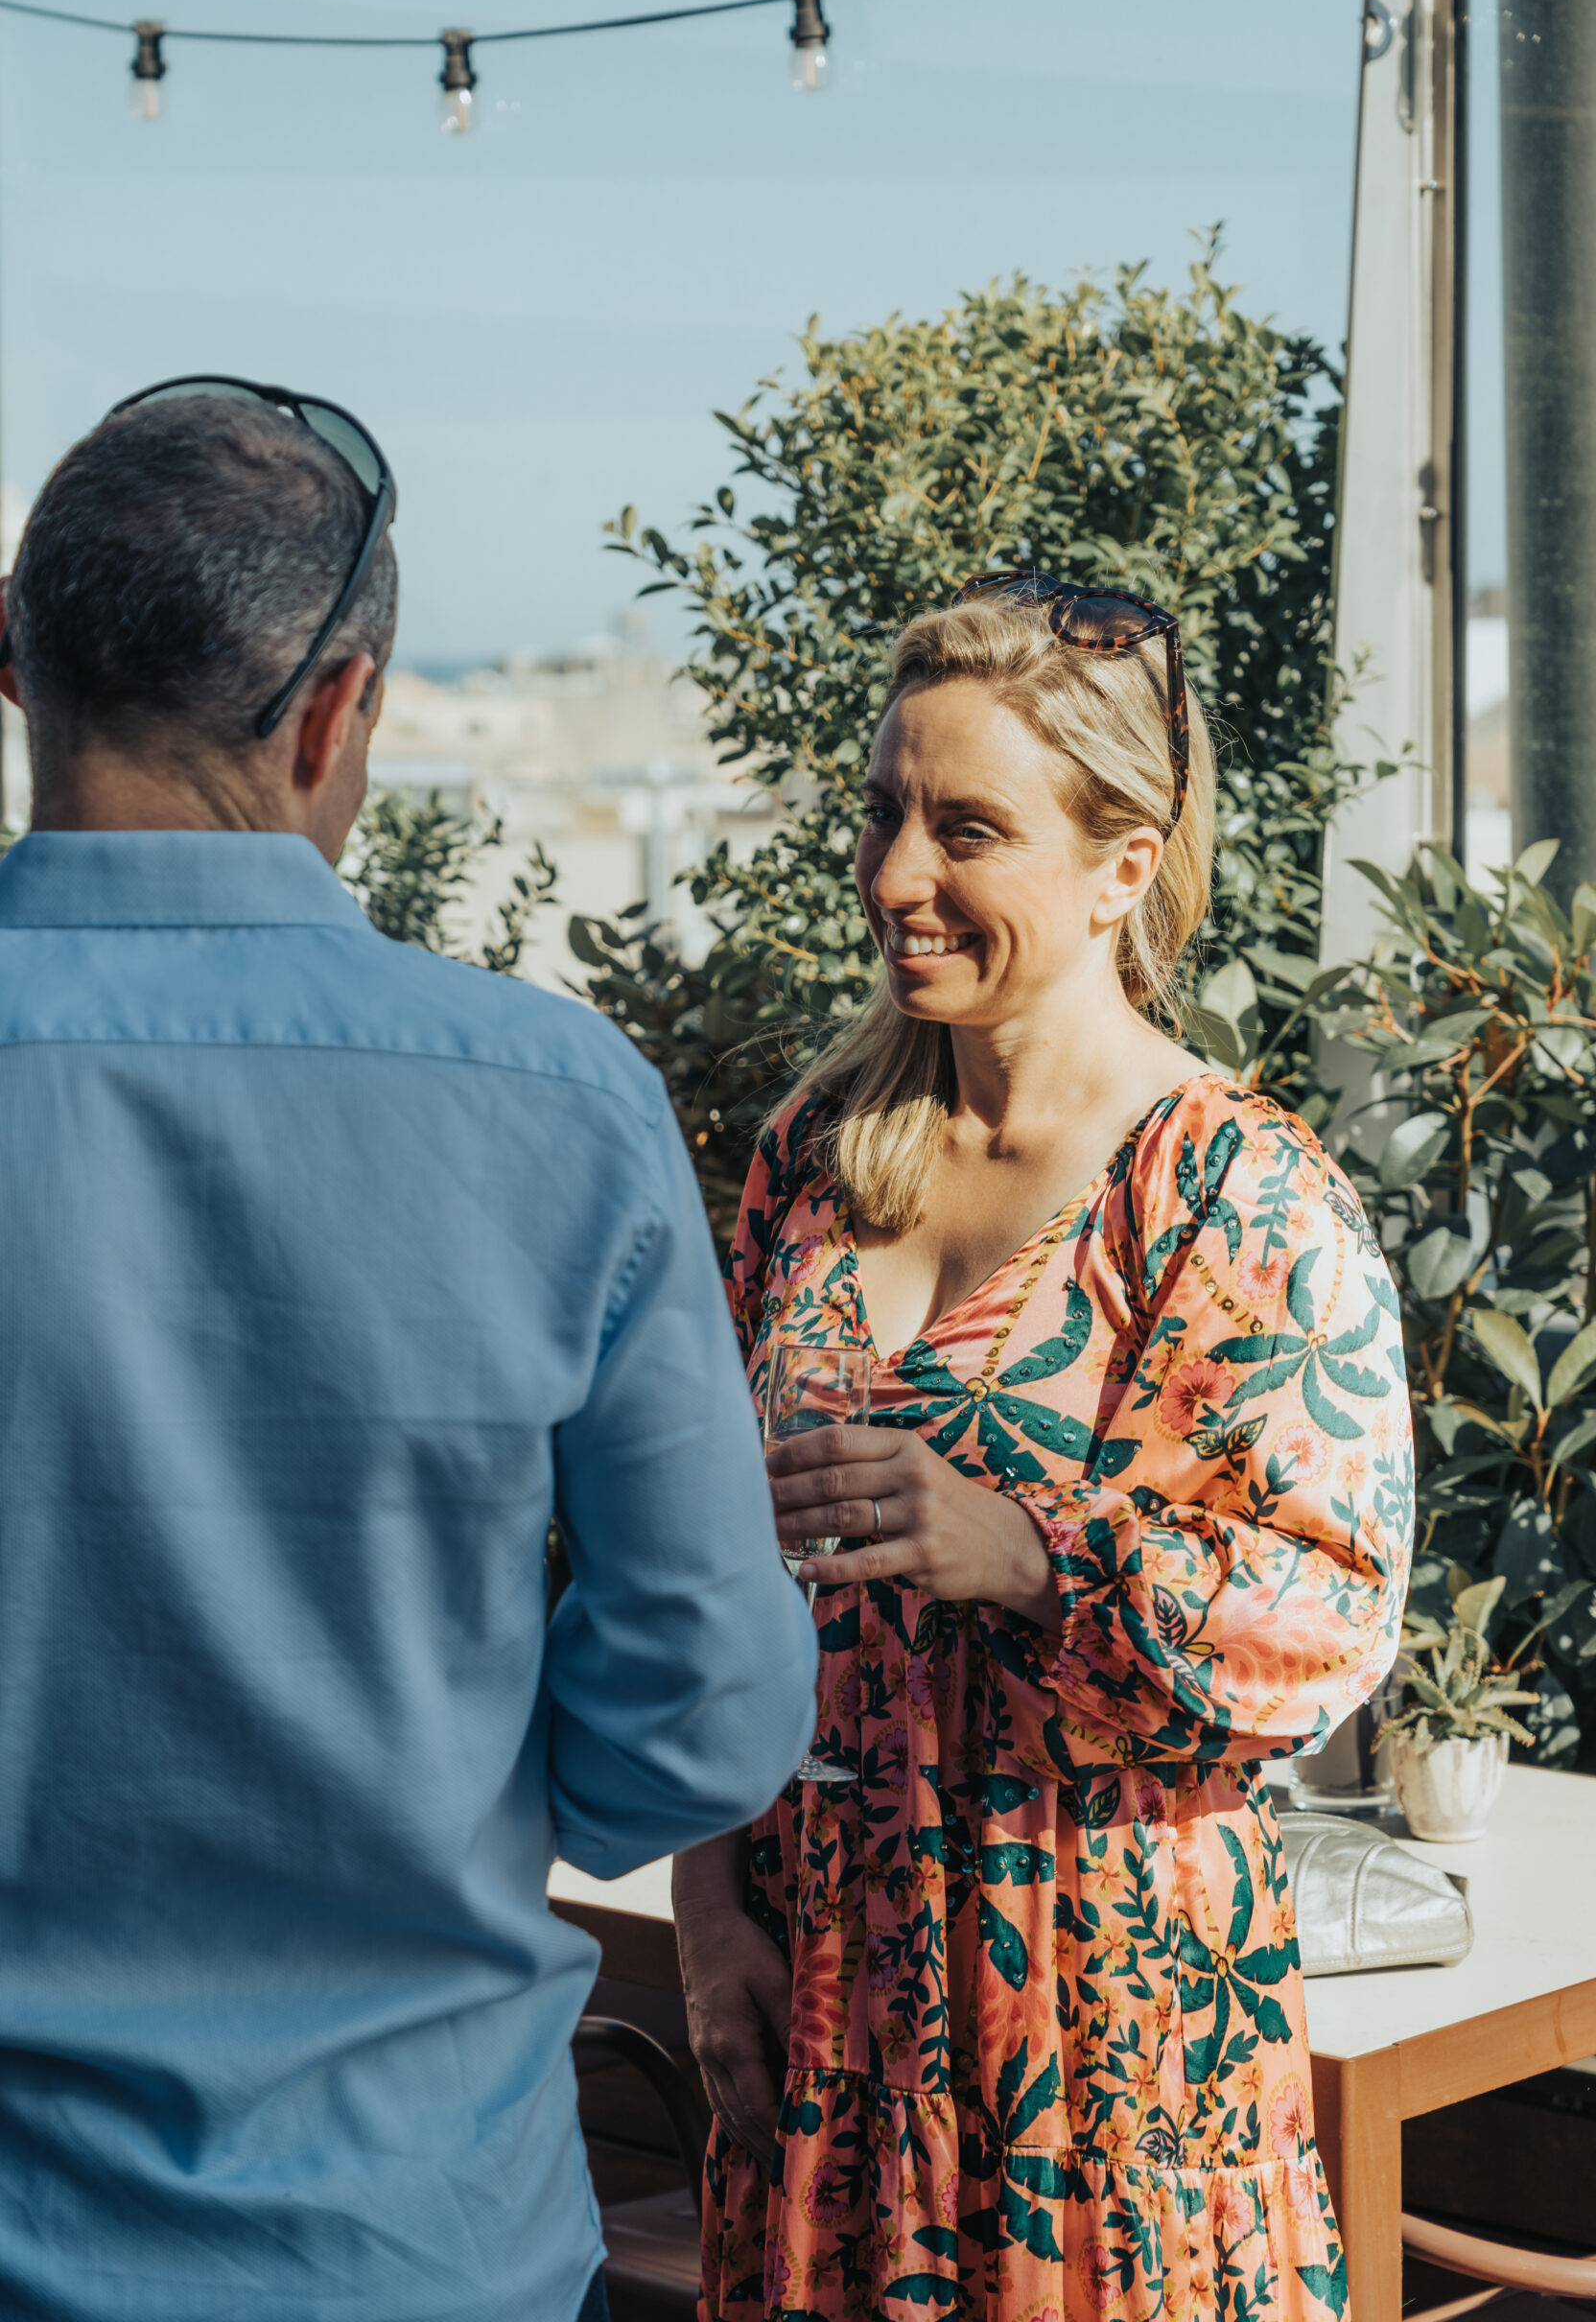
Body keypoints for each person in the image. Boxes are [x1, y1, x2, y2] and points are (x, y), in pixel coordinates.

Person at [0, 379, 817, 2322]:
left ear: (16, 669)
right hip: (414, 2236)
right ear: (338, 708)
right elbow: (706, 1715)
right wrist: (442, 1758)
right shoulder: (557, 1106)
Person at [675, 575, 1413, 2322]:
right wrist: (709, 1915)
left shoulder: (1230, 1190)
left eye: (966, 830)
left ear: (1121, 864)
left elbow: (1331, 1615)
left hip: (1107, 2033)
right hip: (819, 2004)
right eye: (884, 813)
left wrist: (1023, 1554)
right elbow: (703, 1563)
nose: (893, 877)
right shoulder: (812, 1156)